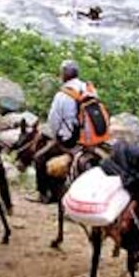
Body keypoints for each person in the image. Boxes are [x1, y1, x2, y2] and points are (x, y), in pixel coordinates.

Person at [34, 59, 92, 202]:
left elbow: (53, 121)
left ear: (64, 75)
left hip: (71, 140)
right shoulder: (88, 89)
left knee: (39, 157)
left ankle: (44, 194)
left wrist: (57, 136)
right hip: (90, 137)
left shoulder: (63, 95)